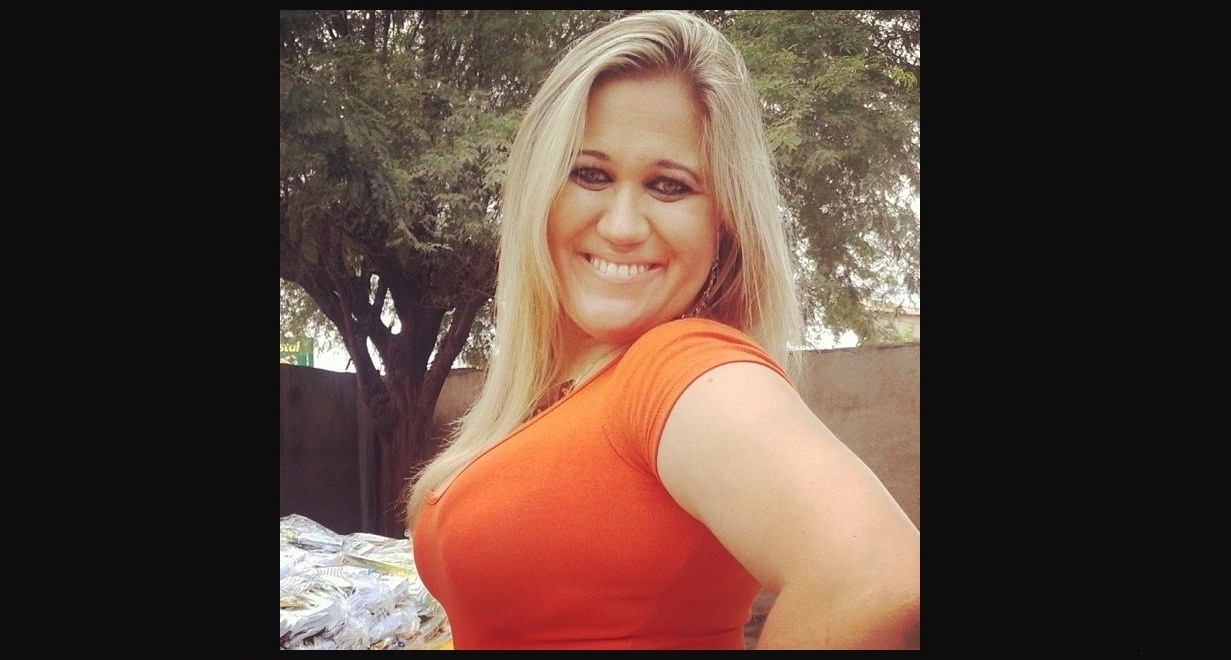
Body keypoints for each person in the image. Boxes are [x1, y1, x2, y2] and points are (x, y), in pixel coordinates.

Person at [404, 10, 919, 650]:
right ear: (540, 189)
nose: (622, 226)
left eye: (669, 186)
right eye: (590, 174)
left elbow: (876, 577)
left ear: (723, 224)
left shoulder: (679, 365)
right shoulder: (562, 389)